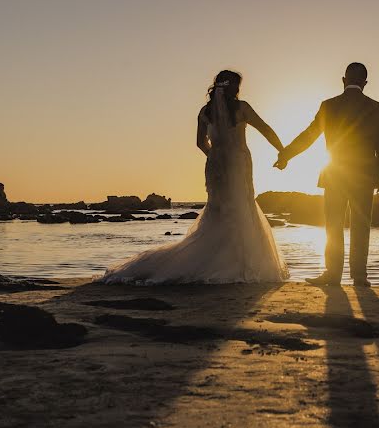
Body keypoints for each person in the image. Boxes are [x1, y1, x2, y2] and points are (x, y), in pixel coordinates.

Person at [101, 70, 289, 285]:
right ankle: (238, 263)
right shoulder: (242, 108)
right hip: (238, 162)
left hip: (216, 165)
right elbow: (264, 128)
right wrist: (282, 152)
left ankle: (213, 259)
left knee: (218, 210)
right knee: (242, 207)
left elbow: (200, 143)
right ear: (235, 87)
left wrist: (216, 157)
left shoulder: (205, 112)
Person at [275, 62, 379, 287]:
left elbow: (309, 135)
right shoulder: (376, 108)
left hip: (335, 174)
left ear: (343, 80)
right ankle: (359, 277)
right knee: (361, 225)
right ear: (365, 84)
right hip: (364, 177)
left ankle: (332, 274)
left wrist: (286, 154)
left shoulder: (329, 105)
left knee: (333, 224)